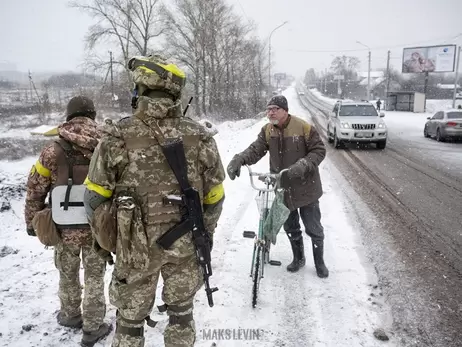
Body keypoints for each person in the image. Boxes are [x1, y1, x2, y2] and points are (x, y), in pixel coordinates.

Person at [83, 55, 226, 347]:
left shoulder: (116, 137)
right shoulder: (200, 137)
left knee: (129, 324)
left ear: (140, 91)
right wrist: (204, 234)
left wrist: (112, 242)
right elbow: (215, 197)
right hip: (185, 248)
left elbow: (94, 201)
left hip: (134, 251)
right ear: (176, 93)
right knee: (182, 316)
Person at [24, 96, 111, 347]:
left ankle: (71, 315)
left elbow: (35, 189)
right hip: (97, 225)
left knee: (67, 272)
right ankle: (93, 327)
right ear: (93, 115)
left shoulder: (53, 150)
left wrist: (32, 221)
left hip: (63, 225)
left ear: (69, 115)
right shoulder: (106, 145)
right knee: (95, 275)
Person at [227, 95, 329, 278]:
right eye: (268, 109)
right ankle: (299, 258)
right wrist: (240, 158)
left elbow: (319, 150)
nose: (271, 112)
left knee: (313, 227)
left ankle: (320, 262)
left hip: (307, 187)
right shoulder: (267, 130)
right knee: (291, 227)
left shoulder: (304, 127)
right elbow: (256, 149)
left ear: (285, 110)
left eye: (275, 108)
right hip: (283, 188)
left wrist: (304, 164)